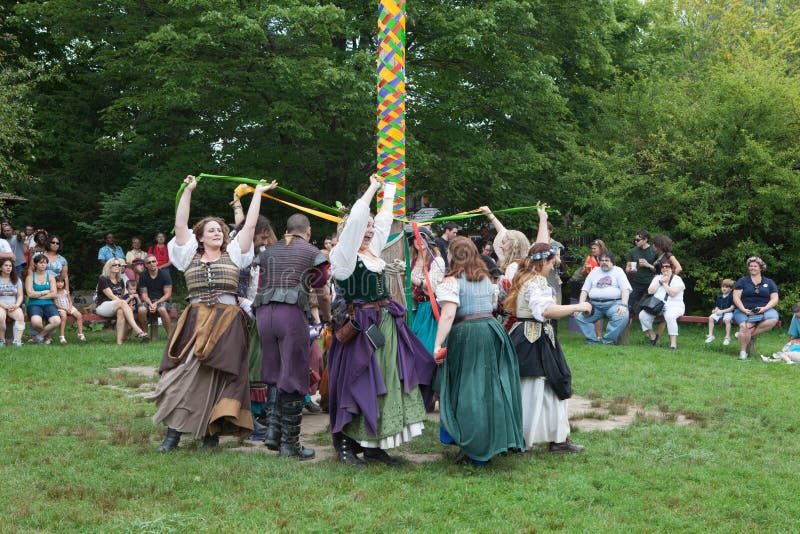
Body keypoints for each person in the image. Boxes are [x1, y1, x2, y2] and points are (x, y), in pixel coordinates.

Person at [147, 174, 274, 452]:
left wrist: (258, 194)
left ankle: (210, 434)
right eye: (212, 230)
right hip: (196, 319)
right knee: (184, 373)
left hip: (228, 321)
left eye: (220, 230)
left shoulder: (236, 254)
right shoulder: (187, 254)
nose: (218, 233)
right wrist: (188, 191)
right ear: (200, 237)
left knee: (220, 377)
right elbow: (180, 223)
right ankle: (174, 433)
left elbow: (250, 225)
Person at [327, 175, 435, 466]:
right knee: (357, 380)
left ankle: (375, 444)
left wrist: (389, 193)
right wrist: (372, 188)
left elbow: (384, 221)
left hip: (385, 322)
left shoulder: (373, 251)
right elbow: (355, 223)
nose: (369, 230)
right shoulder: (344, 257)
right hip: (360, 327)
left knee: (386, 381)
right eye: (365, 226)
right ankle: (348, 444)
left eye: (371, 227)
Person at [504, 205, 592, 454]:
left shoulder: (524, 275)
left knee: (550, 385)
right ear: (544, 263)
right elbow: (545, 311)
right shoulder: (536, 282)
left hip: (535, 337)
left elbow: (538, 246)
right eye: (553, 262)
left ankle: (557, 438)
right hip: (532, 339)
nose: (555, 265)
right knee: (534, 389)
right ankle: (526, 440)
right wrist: (578, 307)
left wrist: (542, 218)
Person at [432, 236, 525, 464]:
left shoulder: (452, 282)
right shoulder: (486, 278)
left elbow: (449, 315)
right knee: (490, 389)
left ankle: (473, 444)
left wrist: (437, 345)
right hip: (491, 331)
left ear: (452, 256)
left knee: (469, 391)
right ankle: (488, 441)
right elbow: (493, 307)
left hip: (468, 335)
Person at [253, 213, 329, 460]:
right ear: (307, 232)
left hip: (263, 314)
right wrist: (327, 319)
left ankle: (274, 433)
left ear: (286, 230)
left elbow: (261, 283)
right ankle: (290, 444)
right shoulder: (311, 252)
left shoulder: (269, 250)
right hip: (290, 314)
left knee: (275, 374)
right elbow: (323, 292)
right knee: (295, 376)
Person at [575, 251, 631, 345]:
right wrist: (581, 305)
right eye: (602, 260)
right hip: (595, 305)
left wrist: (624, 305)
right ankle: (592, 341)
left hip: (613, 304)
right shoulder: (594, 271)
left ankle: (608, 341)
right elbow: (584, 290)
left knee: (622, 315)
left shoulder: (618, 271)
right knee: (579, 316)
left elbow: (626, 290)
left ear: (612, 262)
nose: (604, 262)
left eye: (607, 260)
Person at [732, 256, 779, 360]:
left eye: (755, 266)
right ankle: (743, 353)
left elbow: (775, 298)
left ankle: (742, 335)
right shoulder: (742, 281)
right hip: (743, 310)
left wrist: (765, 308)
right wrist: (743, 309)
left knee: (773, 319)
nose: (752, 268)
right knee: (745, 326)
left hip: (764, 310)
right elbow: (736, 297)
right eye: (750, 266)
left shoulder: (769, 282)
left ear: (761, 268)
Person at [408, 226, 446, 354]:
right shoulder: (410, 261)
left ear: (429, 241)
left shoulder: (437, 260)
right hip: (414, 309)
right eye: (416, 239)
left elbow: (432, 287)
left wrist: (409, 276)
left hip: (430, 309)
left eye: (422, 238)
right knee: (413, 348)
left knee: (426, 349)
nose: (419, 241)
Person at [95, 258, 149, 345]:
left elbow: (121, 296)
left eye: (119, 265)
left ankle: (119, 343)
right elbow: (111, 296)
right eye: (115, 265)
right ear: (109, 266)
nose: (117, 266)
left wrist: (123, 304)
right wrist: (123, 303)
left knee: (121, 311)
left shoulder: (120, 280)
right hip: (103, 306)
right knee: (122, 303)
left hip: (117, 306)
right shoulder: (103, 278)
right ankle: (137, 330)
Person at [639, 258, 685, 349]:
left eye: (667, 266)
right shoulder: (657, 278)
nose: (664, 269)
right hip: (657, 305)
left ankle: (673, 344)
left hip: (674, 306)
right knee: (642, 315)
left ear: (671, 268)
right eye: (662, 267)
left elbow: (672, 293)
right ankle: (653, 336)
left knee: (670, 316)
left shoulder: (677, 279)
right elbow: (650, 291)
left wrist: (665, 283)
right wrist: (660, 282)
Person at [25, 253, 61, 344]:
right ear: (36, 264)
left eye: (45, 263)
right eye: (41, 262)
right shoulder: (30, 277)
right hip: (34, 304)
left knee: (56, 321)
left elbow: (54, 294)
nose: (43, 264)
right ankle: (47, 337)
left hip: (49, 304)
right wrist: (43, 292)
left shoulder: (51, 277)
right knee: (36, 323)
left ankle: (39, 337)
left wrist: (37, 295)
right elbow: (29, 294)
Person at [137, 254, 173, 339]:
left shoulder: (164, 274)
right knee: (141, 309)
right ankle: (145, 336)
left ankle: (170, 337)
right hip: (148, 301)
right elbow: (144, 295)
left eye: (153, 261)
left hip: (162, 301)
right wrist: (150, 304)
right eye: (149, 262)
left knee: (162, 309)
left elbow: (168, 294)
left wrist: (156, 303)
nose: (152, 264)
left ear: (157, 262)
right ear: (146, 265)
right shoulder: (143, 276)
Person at [625, 230, 658, 316]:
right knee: (629, 308)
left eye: (638, 240)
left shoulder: (654, 251)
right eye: (635, 240)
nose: (636, 242)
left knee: (649, 309)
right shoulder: (633, 251)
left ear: (645, 240)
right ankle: (626, 329)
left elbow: (659, 271)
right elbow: (627, 268)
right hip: (636, 282)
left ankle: (649, 328)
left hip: (650, 284)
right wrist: (631, 271)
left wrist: (648, 265)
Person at [0, 257, 25, 346]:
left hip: (13, 305)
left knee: (20, 317)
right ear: (0, 267)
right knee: (0, 317)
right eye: (6, 265)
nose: (8, 267)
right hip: (1, 305)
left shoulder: (16, 279)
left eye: (10, 266)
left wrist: (16, 305)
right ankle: (1, 340)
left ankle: (17, 341)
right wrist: (4, 306)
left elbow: (20, 295)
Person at [54, 275, 85, 344]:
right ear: (54, 283)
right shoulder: (54, 293)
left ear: (64, 283)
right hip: (60, 308)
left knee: (79, 315)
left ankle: (80, 334)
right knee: (63, 316)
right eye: (58, 282)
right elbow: (56, 304)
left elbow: (70, 301)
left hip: (69, 307)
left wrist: (70, 307)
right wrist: (65, 309)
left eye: (62, 282)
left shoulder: (66, 291)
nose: (60, 284)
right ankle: (62, 336)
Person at [705, 279, 735, 346]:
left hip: (728, 312)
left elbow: (732, 308)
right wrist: (715, 310)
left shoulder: (732, 296)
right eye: (723, 287)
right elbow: (717, 306)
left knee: (727, 320)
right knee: (711, 318)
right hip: (719, 311)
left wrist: (722, 311)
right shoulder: (719, 296)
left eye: (726, 287)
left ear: (731, 289)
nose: (724, 288)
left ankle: (727, 337)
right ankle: (710, 335)